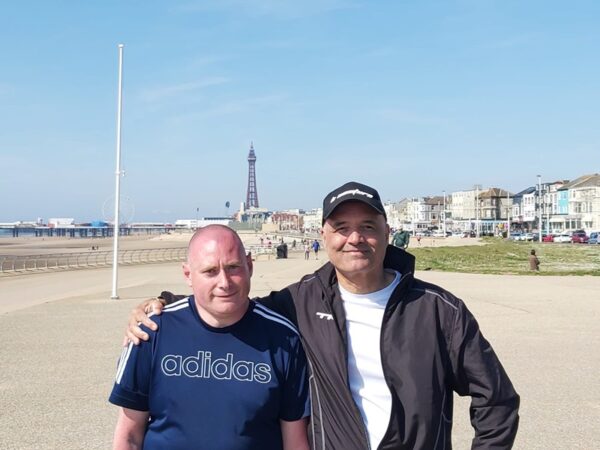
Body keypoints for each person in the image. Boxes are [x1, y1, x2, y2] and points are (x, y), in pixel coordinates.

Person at [125, 182, 520, 449]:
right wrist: (158, 303)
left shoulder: (437, 310)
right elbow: (231, 299)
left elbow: (497, 399)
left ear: (386, 231)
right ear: (325, 236)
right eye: (341, 227)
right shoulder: (300, 302)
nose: (355, 238)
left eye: (367, 226)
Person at [110, 225, 310, 450]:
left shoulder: (284, 339)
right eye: (210, 271)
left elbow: (295, 441)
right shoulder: (150, 332)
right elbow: (129, 435)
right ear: (188, 275)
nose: (224, 282)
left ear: (250, 266)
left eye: (233, 267)